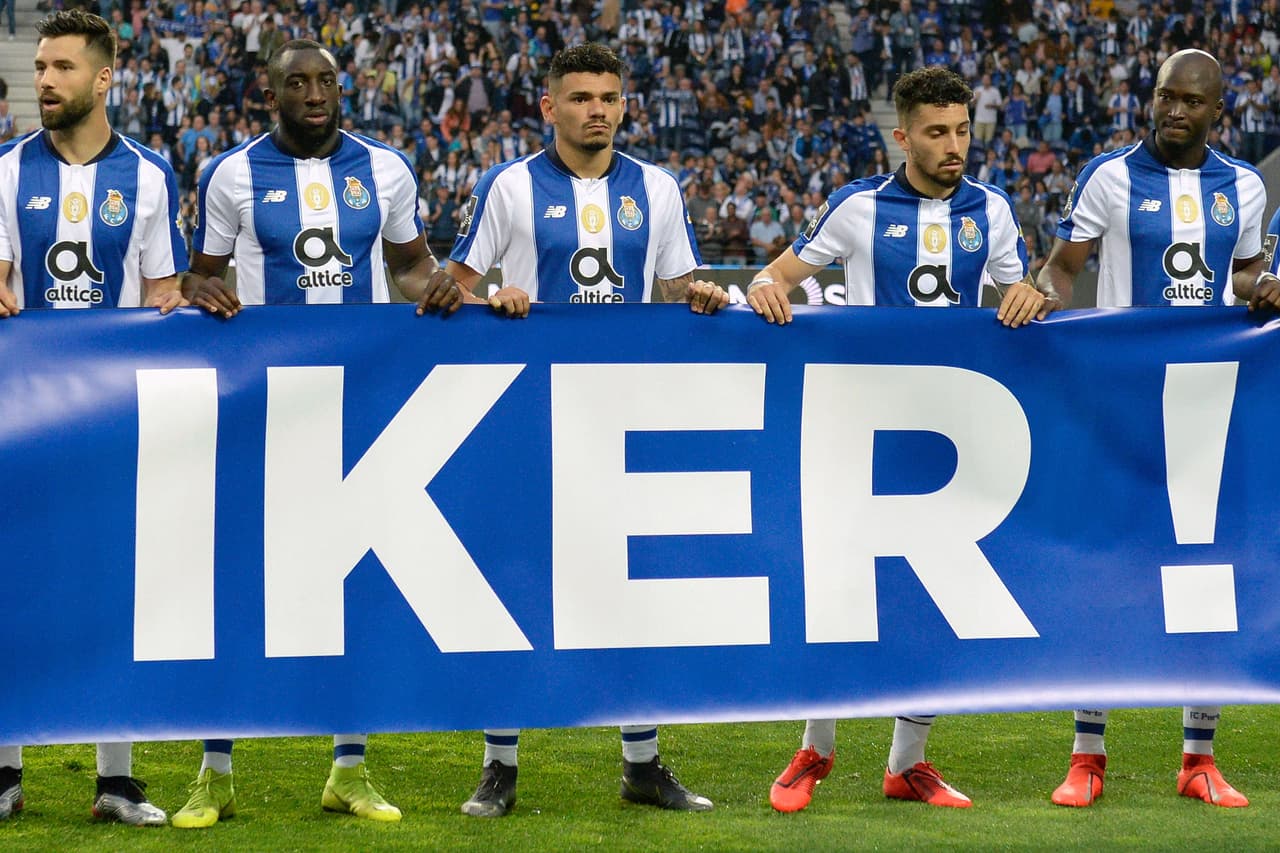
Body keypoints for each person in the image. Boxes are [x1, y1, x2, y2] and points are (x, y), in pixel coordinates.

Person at [747, 66, 1056, 812]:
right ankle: (814, 750)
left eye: (962, 131)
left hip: (952, 436)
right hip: (861, 429)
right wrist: (764, 287)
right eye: (937, 132)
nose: (954, 146)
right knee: (843, 588)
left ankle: (906, 763)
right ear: (904, 135)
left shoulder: (994, 210)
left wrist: (1029, 293)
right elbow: (776, 275)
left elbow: (1021, 296)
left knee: (933, 600)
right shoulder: (858, 208)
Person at [173, 38, 463, 829]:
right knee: (238, 577)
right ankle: (214, 770)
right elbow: (204, 272)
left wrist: (432, 285)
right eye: (296, 83)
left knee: (354, 583)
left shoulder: (387, 168)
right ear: (272, 93)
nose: (313, 93)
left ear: (341, 89)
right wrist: (203, 290)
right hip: (265, 398)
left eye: (324, 82)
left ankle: (350, 767)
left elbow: (408, 264)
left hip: (361, 396)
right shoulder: (232, 172)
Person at [446, 43, 727, 816]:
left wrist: (697, 295)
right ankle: (498, 764)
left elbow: (673, 290)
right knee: (516, 585)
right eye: (580, 97)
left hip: (625, 416)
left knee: (632, 587)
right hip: (531, 418)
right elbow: (447, 295)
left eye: (608, 96)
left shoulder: (657, 188)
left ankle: (644, 763)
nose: (596, 109)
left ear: (624, 104)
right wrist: (491, 302)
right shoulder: (508, 187)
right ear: (549, 107)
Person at [1037, 49, 1275, 808]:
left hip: (1209, 404)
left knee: (1207, 570)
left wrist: (1260, 286)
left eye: (1191, 101)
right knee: (1106, 570)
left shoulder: (1242, 186)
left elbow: (1237, 272)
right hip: (1118, 404)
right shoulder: (1108, 176)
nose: (1174, 110)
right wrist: (1045, 306)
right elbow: (1063, 265)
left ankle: (1197, 756)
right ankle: (1087, 753)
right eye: (1165, 96)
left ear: (1217, 111)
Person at [0, 9, 188, 826]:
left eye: (61, 68)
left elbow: (160, 295)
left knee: (117, 594)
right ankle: (5, 773)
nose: (42, 80)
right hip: (22, 417)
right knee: (16, 589)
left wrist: (187, 306)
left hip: (115, 420)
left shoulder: (149, 177)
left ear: (105, 77)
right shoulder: (6, 172)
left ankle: (117, 781)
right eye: (38, 66)